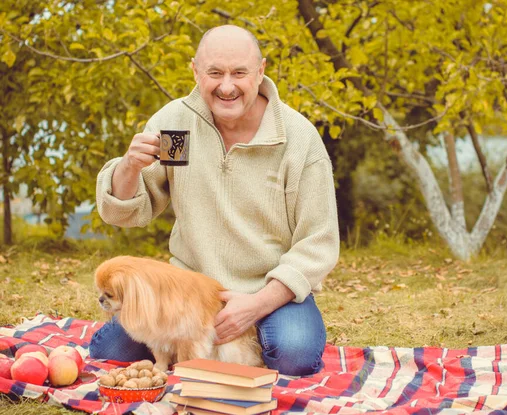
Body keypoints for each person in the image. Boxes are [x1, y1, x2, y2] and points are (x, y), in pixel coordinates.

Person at [90, 25, 340, 376]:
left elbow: (319, 242)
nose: (227, 86)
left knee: (293, 354)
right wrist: (130, 166)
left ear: (261, 70)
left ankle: (209, 347)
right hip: (187, 290)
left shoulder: (298, 139)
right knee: (108, 351)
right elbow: (129, 212)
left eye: (239, 73)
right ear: (195, 70)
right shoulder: (175, 124)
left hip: (268, 290)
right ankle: (200, 347)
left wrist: (255, 305)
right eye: (214, 73)